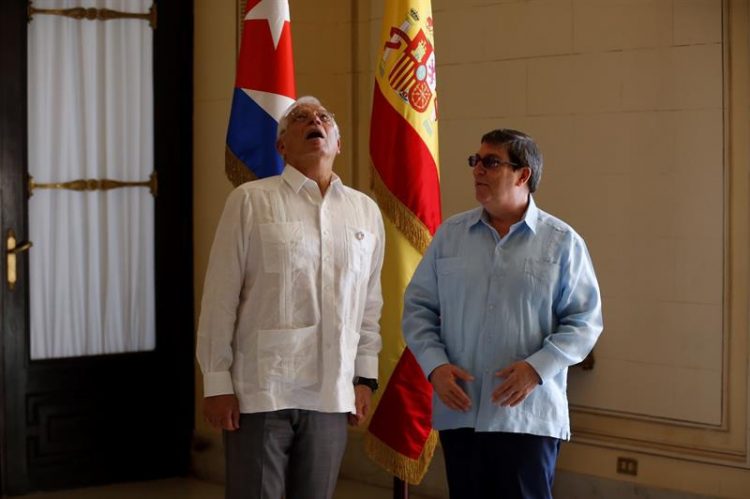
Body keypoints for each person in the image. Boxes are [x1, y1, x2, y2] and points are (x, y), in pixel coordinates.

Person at [196, 96, 385, 499]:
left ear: (338, 144)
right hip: (262, 389)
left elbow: (369, 305)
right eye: (299, 118)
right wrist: (216, 381)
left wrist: (364, 378)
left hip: (332, 391)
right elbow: (219, 296)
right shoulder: (250, 201)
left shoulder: (365, 212)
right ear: (281, 147)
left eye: (324, 117)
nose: (314, 120)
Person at [403, 129, 603, 498]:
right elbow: (418, 309)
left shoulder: (561, 241)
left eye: (491, 162)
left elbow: (584, 322)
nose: (477, 169)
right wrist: (436, 366)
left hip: (527, 415)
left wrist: (536, 368)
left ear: (523, 175)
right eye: (475, 161)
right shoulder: (450, 236)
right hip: (460, 409)